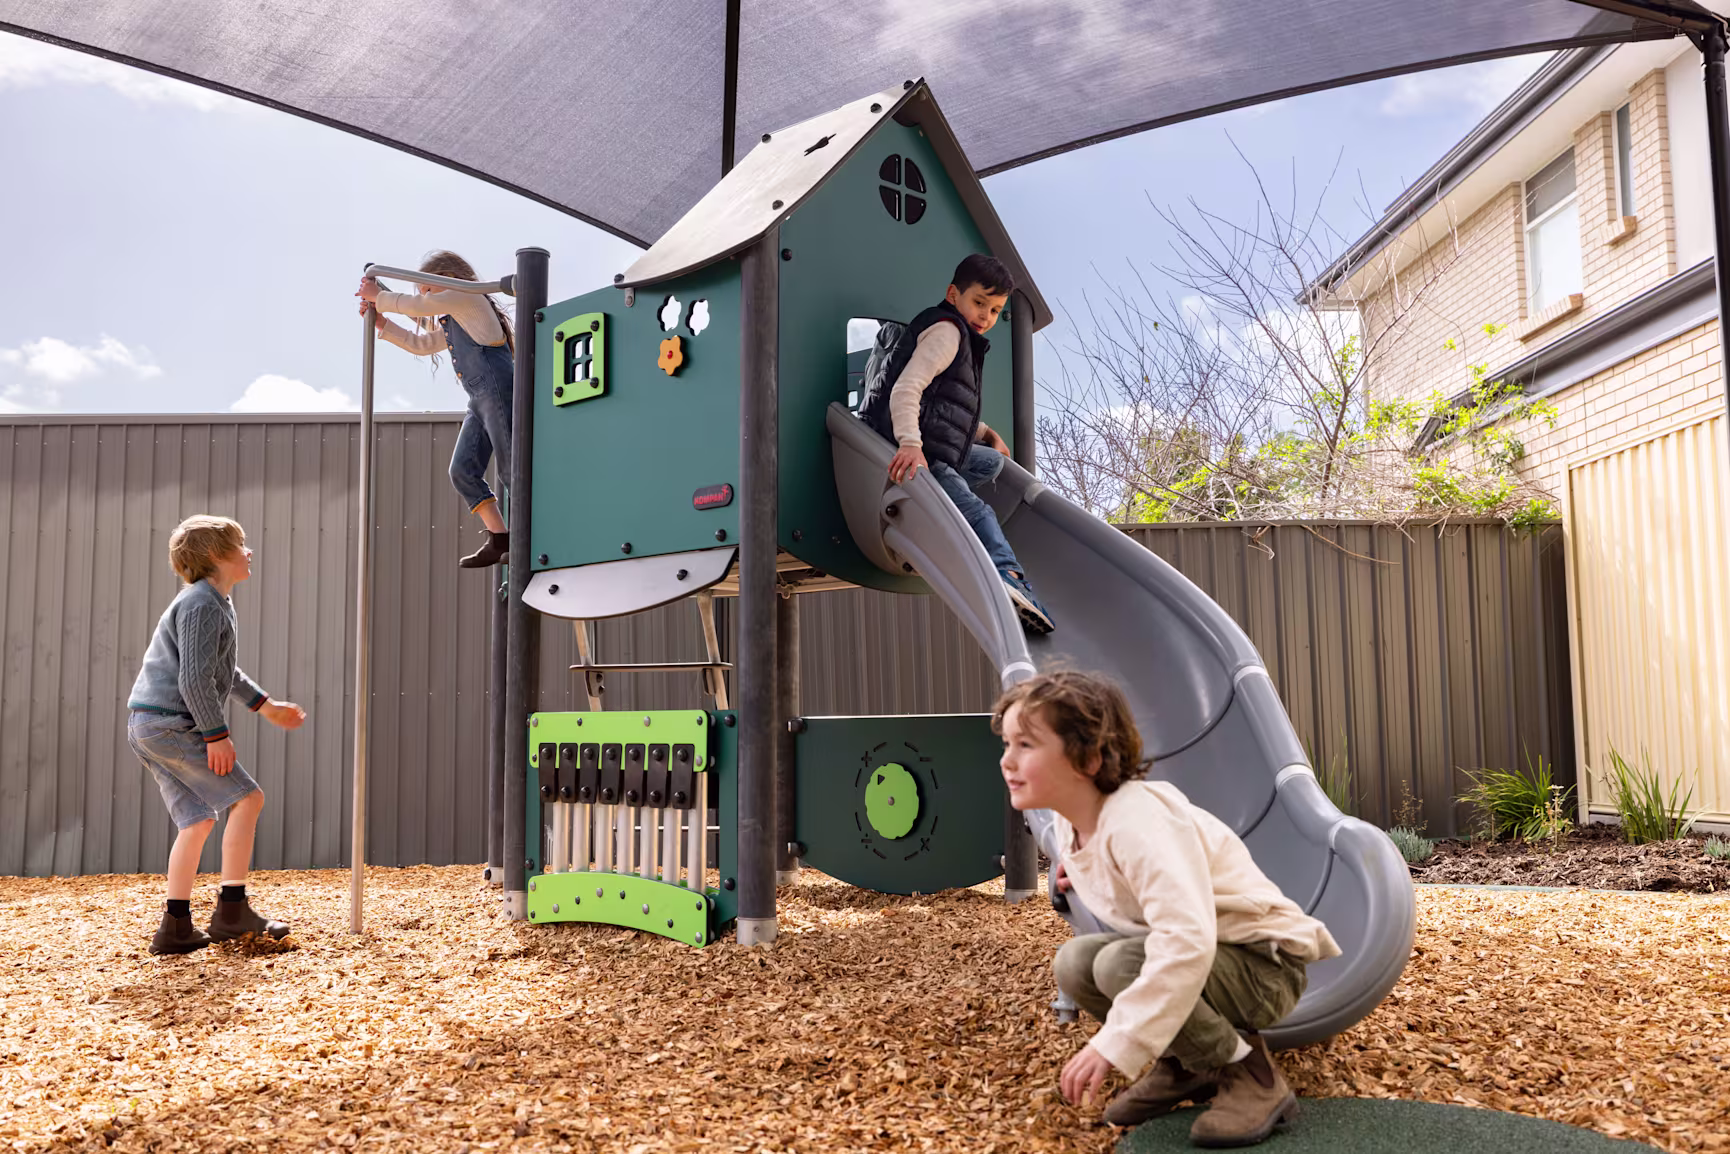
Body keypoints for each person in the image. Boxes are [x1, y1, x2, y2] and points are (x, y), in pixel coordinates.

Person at [994, 671, 1340, 1146]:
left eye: (1026, 745)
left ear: (1089, 758)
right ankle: (1185, 1068)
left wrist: (1115, 1043)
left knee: (1120, 965)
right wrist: (1077, 876)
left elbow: (1184, 941)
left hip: (1266, 965)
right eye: (1007, 743)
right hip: (1222, 957)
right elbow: (1110, 873)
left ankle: (1251, 1076)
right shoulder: (1075, 816)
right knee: (1074, 963)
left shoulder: (1138, 822)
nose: (1007, 761)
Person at [127, 515, 307, 955]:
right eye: (241, 545)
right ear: (215, 556)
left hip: (150, 723)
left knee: (199, 819)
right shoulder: (202, 604)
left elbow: (220, 673)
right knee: (248, 798)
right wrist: (215, 735)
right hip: (169, 722)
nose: (249, 552)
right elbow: (193, 681)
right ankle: (231, 910)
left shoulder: (214, 602)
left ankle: (175, 926)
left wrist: (265, 705)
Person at [858, 254, 1054, 634]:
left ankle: (952, 488)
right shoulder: (948, 332)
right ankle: (1007, 576)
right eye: (979, 302)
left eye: (995, 310)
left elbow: (946, 402)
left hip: (928, 442)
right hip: (913, 451)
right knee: (979, 512)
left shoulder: (963, 337)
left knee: (991, 463)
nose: (986, 316)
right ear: (954, 294)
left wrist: (985, 434)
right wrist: (910, 444)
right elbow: (906, 390)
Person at [358, 250, 515, 568]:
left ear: (449, 278)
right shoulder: (457, 315)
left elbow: (421, 309)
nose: (428, 299)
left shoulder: (466, 296)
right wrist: (384, 323)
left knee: (513, 468)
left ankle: (536, 532)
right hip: (479, 399)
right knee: (462, 471)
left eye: (428, 289)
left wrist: (380, 296)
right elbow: (424, 343)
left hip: (499, 392)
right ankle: (500, 538)